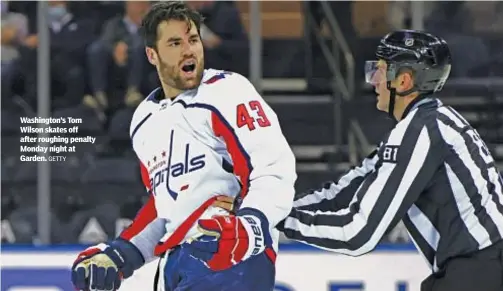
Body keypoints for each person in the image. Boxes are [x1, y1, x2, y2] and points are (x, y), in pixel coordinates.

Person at [71, 2, 296, 291]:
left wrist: (250, 225)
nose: (189, 50)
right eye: (175, 43)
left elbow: (273, 169)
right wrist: (119, 255)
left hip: (229, 260)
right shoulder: (143, 120)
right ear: (152, 55)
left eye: (193, 40)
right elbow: (165, 209)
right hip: (175, 266)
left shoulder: (227, 90)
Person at [278, 30, 503, 291]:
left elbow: (358, 233)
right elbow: (343, 192)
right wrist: (274, 209)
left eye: (380, 70)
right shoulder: (435, 122)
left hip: (478, 272)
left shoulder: (419, 132)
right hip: (482, 266)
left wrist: (280, 220)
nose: (373, 81)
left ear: (404, 81)